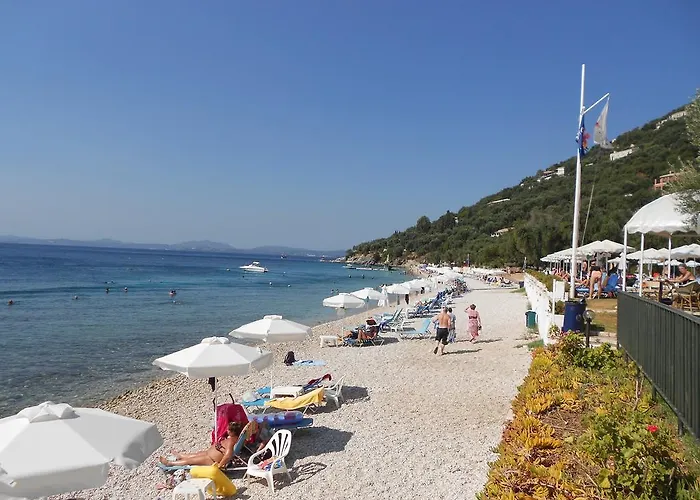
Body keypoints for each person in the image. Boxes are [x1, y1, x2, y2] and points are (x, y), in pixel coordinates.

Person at [159, 421, 245, 467]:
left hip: (211, 459)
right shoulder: (234, 438)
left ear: (233, 432)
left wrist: (219, 465)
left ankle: (170, 463)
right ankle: (180, 456)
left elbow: (228, 455)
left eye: (228, 430)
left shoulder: (231, 441)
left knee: (190, 461)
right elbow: (227, 451)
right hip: (209, 454)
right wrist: (220, 448)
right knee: (195, 455)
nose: (227, 431)